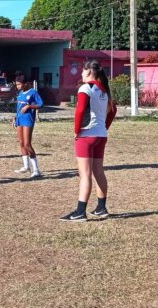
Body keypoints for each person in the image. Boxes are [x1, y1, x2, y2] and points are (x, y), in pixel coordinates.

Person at [61, 60, 117, 222]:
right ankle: (101, 208)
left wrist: (77, 130)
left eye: (82, 71)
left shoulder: (85, 88)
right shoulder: (104, 90)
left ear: (88, 72)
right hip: (101, 136)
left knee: (84, 174)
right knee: (98, 171)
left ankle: (80, 212)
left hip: (87, 135)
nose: (80, 74)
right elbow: (113, 110)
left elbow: (79, 110)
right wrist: (104, 127)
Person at [13, 75, 44, 178]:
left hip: (28, 120)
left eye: (19, 84)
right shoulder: (21, 93)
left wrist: (29, 106)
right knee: (21, 143)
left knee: (27, 144)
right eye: (16, 84)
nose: (17, 86)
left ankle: (36, 170)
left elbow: (41, 104)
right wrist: (15, 117)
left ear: (25, 83)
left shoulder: (33, 92)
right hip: (19, 119)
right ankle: (26, 166)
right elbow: (19, 107)